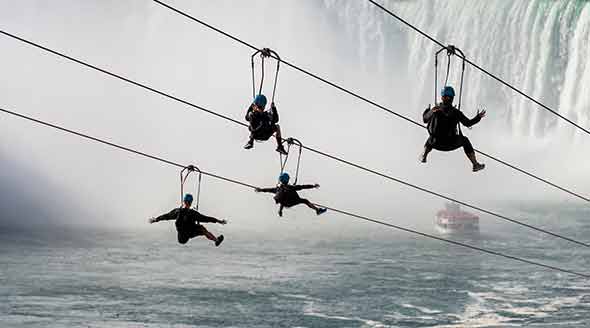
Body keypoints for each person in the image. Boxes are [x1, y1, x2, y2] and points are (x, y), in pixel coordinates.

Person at [421, 86, 487, 172]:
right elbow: (468, 123)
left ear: (442, 97)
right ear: (452, 98)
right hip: (450, 143)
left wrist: (428, 111)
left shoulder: (435, 110)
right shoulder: (456, 112)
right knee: (465, 140)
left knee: (432, 137)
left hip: (435, 143)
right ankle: (475, 164)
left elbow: (425, 119)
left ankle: (424, 155)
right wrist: (478, 117)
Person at [149, 194, 226, 246]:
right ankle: (215, 240)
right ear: (191, 202)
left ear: (184, 201)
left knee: (182, 217)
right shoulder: (193, 213)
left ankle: (216, 240)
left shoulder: (178, 211)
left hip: (182, 236)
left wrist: (156, 219)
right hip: (188, 233)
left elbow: (166, 216)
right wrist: (219, 221)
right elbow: (206, 219)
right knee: (202, 229)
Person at [255, 172, 327, 217]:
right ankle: (317, 210)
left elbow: (268, 190)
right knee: (305, 200)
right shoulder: (291, 187)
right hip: (293, 201)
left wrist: (260, 190)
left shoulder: (278, 189)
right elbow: (303, 186)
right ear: (287, 180)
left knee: (283, 197)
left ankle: (280, 211)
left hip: (286, 203)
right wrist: (313, 186)